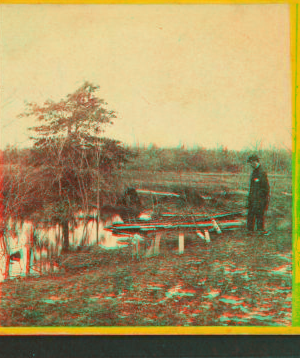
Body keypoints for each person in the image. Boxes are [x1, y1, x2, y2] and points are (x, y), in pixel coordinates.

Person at [246, 154, 270, 234]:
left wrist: (260, 198)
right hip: (253, 198)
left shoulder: (262, 172)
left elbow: (265, 188)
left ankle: (260, 230)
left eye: (250, 163)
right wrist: (250, 198)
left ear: (254, 162)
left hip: (260, 199)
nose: (250, 164)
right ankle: (250, 230)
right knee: (250, 213)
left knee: (259, 214)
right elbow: (252, 187)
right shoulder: (254, 171)